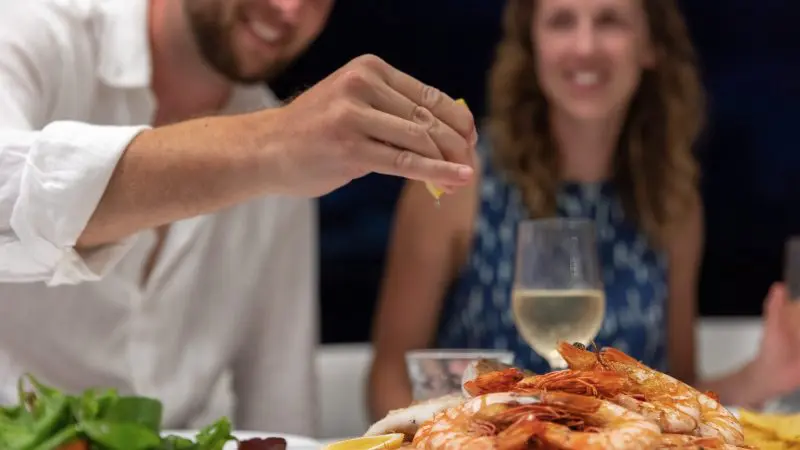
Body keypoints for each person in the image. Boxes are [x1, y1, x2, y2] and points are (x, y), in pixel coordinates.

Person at [0, 0, 476, 435]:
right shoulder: (36, 28)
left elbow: (281, 413)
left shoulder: (292, 149)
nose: (289, 10)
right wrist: (269, 145)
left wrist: (274, 144)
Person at [368, 0, 800, 420]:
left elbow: (673, 390)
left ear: (651, 45)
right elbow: (388, 377)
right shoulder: (459, 179)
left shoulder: (672, 201)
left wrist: (763, 376)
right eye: (561, 21)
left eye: (610, 21)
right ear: (532, 42)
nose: (585, 46)